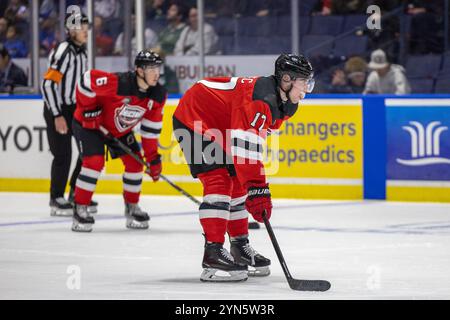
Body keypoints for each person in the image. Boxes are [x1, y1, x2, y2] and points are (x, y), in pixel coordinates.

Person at [172, 53, 314, 282]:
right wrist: (258, 188)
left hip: (223, 123)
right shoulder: (261, 99)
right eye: (303, 81)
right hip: (195, 117)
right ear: (286, 80)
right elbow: (247, 152)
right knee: (218, 179)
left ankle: (239, 247)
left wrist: (254, 187)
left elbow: (250, 146)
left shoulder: (285, 103)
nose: (307, 87)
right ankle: (213, 252)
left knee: (238, 182)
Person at [71, 50, 167, 233]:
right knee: (94, 162)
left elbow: (149, 130)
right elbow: (86, 80)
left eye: (158, 68)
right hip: (90, 125)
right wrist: (89, 109)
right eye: (151, 69)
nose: (156, 73)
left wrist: (153, 159)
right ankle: (80, 208)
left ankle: (131, 207)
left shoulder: (157, 95)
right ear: (139, 70)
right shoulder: (119, 83)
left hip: (118, 130)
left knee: (135, 163)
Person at [41, 13, 96, 217]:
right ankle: (56, 198)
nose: (85, 31)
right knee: (63, 155)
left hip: (75, 109)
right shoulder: (64, 51)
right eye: (81, 27)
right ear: (70, 30)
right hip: (58, 109)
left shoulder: (82, 52)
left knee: (88, 150)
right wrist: (57, 115)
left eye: (86, 27)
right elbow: (48, 84)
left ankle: (75, 191)